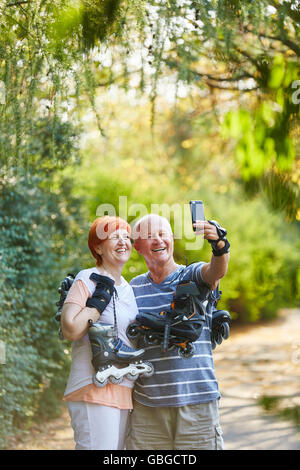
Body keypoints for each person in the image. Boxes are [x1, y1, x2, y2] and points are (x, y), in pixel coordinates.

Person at [125, 213, 230, 450]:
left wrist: (220, 246)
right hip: (147, 409)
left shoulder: (190, 275)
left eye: (162, 234)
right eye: (149, 236)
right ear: (137, 246)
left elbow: (216, 272)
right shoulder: (132, 289)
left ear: (171, 238)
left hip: (197, 404)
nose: (157, 240)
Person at [61, 215, 144, 450]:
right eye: (114, 236)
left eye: (126, 237)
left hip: (123, 389)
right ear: (98, 246)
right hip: (92, 386)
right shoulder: (87, 278)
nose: (123, 241)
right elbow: (70, 329)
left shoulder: (128, 288)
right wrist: (97, 304)